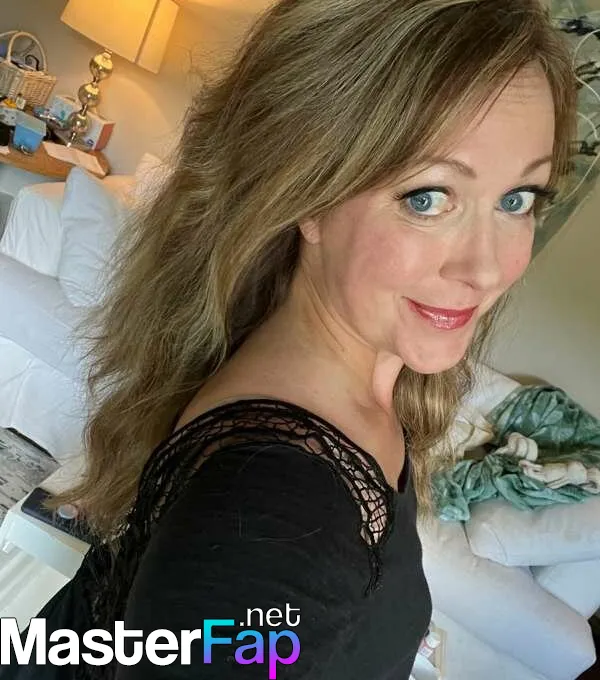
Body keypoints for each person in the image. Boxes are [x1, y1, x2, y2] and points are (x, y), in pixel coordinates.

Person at [3, 0, 577, 678]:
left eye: (518, 199)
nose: (485, 268)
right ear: (308, 195)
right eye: (426, 197)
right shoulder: (276, 512)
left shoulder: (355, 384)